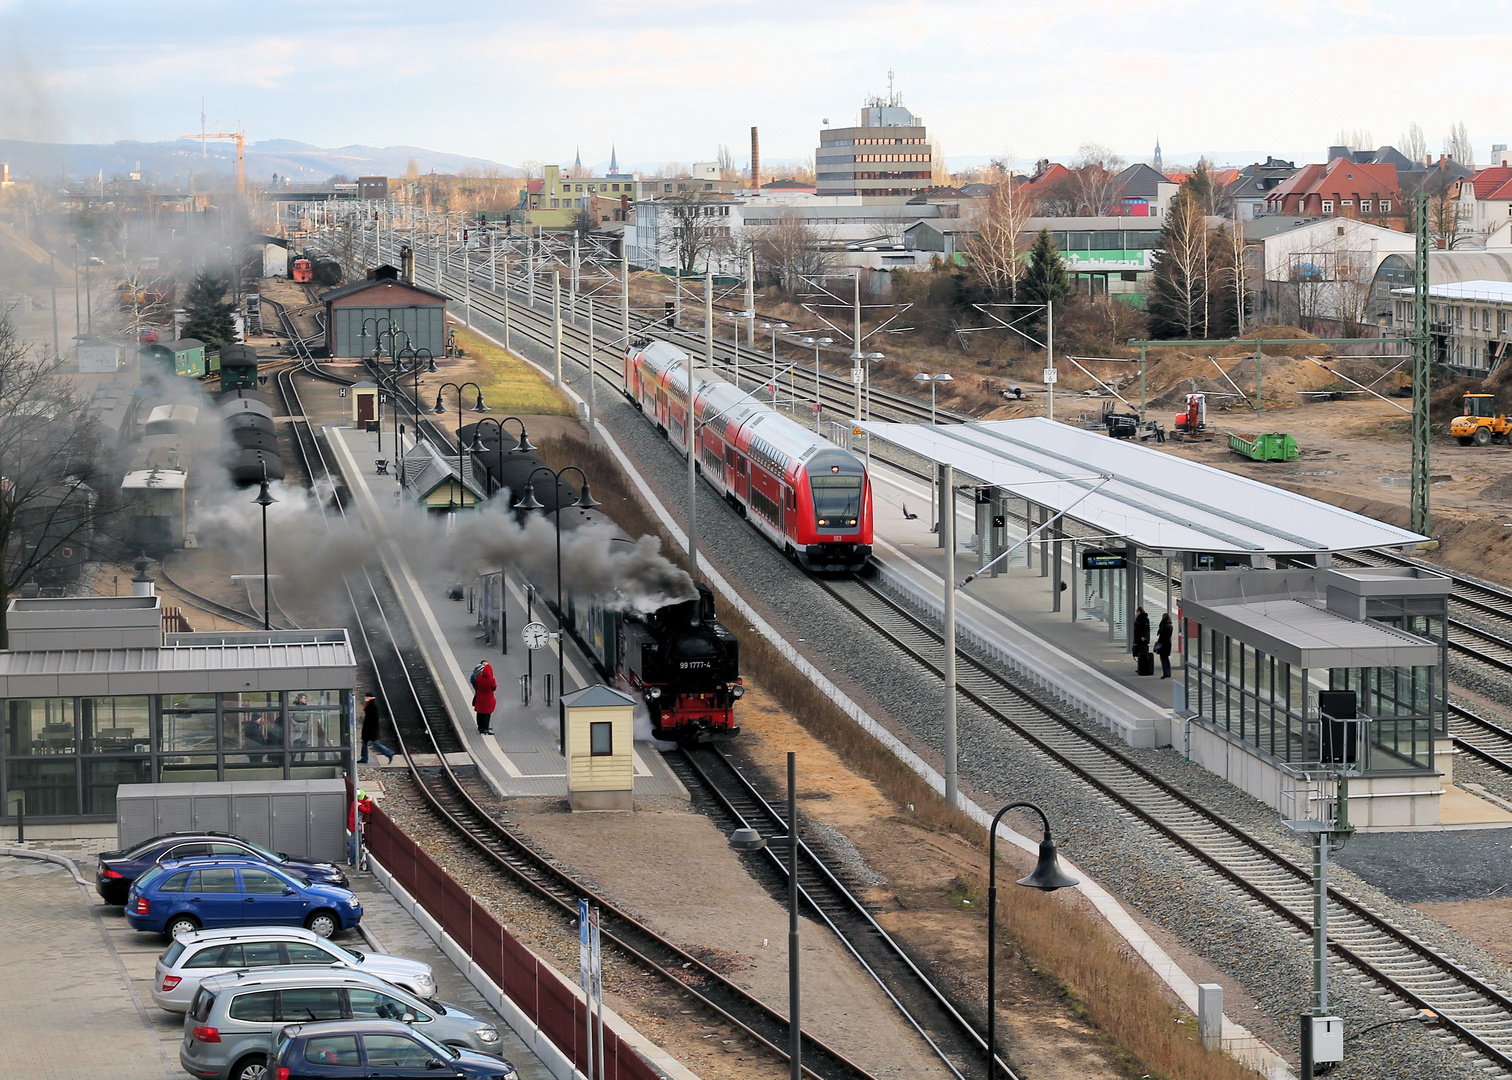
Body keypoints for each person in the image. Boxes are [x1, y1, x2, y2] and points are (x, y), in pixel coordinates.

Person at [359, 693, 395, 764]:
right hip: (369, 729)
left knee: (375, 743)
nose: (365, 698)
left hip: (371, 729)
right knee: (364, 743)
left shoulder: (372, 706)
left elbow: (372, 720)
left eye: (367, 697)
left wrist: (368, 729)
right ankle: (364, 758)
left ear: (370, 697)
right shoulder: (370, 705)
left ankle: (389, 753)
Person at [472, 660, 497, 735]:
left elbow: (476, 686)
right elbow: (494, 688)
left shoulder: (479, 678)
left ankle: (480, 727)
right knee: (487, 714)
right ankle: (485, 728)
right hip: (488, 698)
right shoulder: (491, 680)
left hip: (480, 697)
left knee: (479, 712)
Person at [1155, 613, 1174, 679]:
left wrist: (1158, 645)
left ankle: (1165, 673)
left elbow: (1161, 636)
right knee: (1166, 658)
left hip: (1163, 644)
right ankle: (1169, 673)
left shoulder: (1164, 625)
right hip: (1168, 643)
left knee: (1163, 659)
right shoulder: (1170, 625)